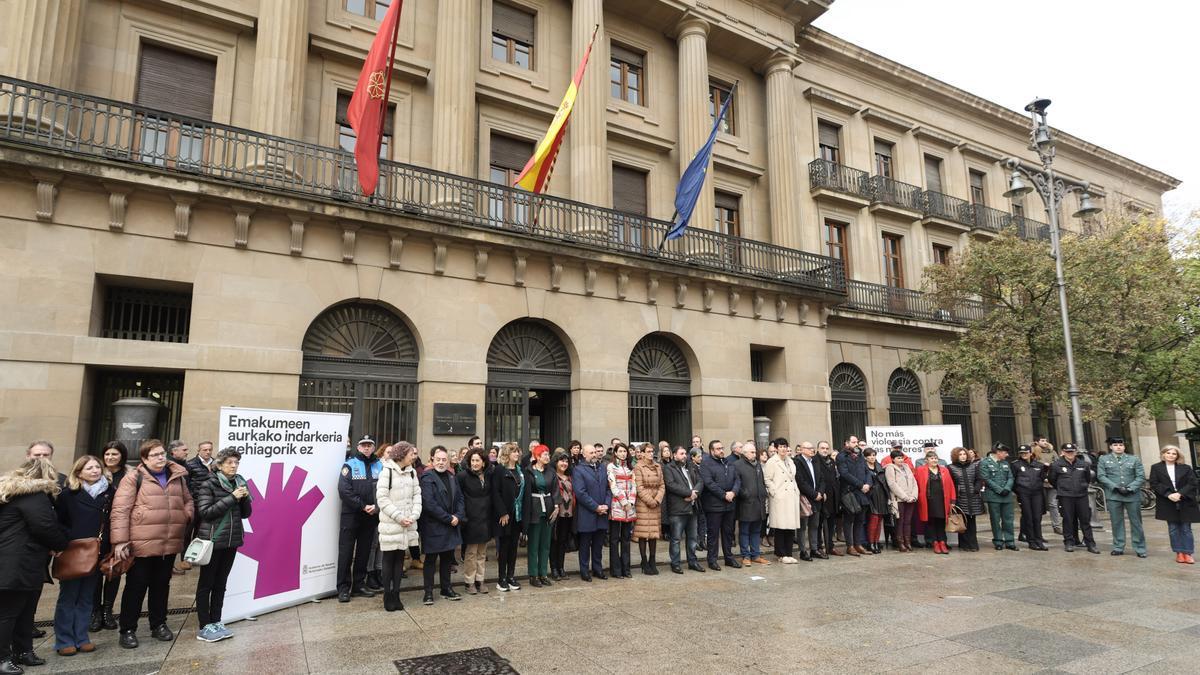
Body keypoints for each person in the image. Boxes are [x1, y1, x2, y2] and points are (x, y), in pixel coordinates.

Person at [110, 440, 193, 649]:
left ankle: (159, 624)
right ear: (145, 459)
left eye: (162, 453)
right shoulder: (134, 478)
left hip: (169, 542)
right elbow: (120, 510)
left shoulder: (177, 476)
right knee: (135, 588)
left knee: (161, 586)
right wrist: (120, 541)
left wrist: (185, 515)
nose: (161, 457)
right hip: (142, 544)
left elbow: (188, 500)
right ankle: (128, 629)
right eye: (155, 455)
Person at [1, 458, 69, 672]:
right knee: (9, 613)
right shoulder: (34, 495)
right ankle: (3, 659)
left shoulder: (11, 492)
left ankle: (23, 651)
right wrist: (61, 544)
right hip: (18, 562)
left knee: (24, 611)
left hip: (19, 561)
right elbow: (44, 526)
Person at [191, 448, 251, 643]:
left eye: (236, 463)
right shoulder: (208, 484)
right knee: (206, 584)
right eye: (230, 463)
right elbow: (206, 512)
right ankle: (204, 625)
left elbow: (245, 514)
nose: (234, 466)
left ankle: (216, 621)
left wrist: (245, 498)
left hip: (231, 540)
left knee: (221, 583)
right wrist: (232, 497)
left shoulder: (239, 482)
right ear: (219, 465)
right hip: (213, 541)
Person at [51, 456, 109, 658]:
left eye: (97, 467)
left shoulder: (109, 493)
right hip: (73, 550)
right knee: (68, 597)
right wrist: (65, 541)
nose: (95, 470)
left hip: (97, 551)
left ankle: (82, 637)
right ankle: (64, 640)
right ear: (78, 472)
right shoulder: (68, 494)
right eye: (89, 468)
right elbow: (58, 522)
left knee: (87, 597)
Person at [336, 436, 383, 602]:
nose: (367, 448)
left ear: (373, 447)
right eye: (363, 445)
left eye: (370, 445)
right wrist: (363, 505)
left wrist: (376, 507)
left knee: (364, 552)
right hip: (352, 515)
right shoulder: (350, 464)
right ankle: (343, 588)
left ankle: (358, 584)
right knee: (346, 552)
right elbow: (344, 491)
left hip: (371, 516)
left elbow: (385, 489)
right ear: (358, 447)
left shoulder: (380, 465)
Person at [376, 441, 421, 611]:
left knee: (400, 559)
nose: (413, 456)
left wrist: (414, 515)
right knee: (389, 559)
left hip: (407, 523)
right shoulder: (386, 471)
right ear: (402, 454)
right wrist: (399, 516)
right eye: (411, 454)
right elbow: (382, 498)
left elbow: (417, 495)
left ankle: (396, 593)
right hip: (391, 524)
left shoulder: (412, 473)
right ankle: (387, 595)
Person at [418, 446, 465, 605]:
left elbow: (460, 498)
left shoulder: (452, 476)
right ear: (432, 460)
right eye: (438, 459)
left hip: (451, 525)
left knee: (447, 560)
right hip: (434, 526)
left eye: (444, 460)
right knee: (431, 561)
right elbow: (429, 504)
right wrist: (448, 518)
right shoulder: (427, 477)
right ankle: (428, 592)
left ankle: (446, 588)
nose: (441, 462)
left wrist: (458, 515)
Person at [90, 440, 127, 633]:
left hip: (119, 529)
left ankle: (107, 610)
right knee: (95, 572)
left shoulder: (129, 475)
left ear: (122, 456)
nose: (110, 458)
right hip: (98, 530)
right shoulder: (95, 472)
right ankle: (95, 611)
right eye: (107, 455)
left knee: (114, 570)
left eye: (114, 454)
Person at [1097, 436, 1147, 558]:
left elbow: (1140, 476)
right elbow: (1101, 476)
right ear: (1111, 447)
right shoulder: (1104, 459)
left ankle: (1140, 548)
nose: (1118, 447)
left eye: (1120, 445)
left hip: (1132, 495)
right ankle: (1118, 546)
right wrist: (1115, 487)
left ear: (1124, 446)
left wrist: (1130, 488)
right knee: (1116, 522)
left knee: (1136, 523)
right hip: (1114, 495)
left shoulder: (1134, 459)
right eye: (1115, 445)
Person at [1149, 445, 1198, 564]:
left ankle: (1188, 553)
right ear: (1163, 454)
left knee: (1186, 528)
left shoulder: (1186, 468)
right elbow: (1154, 483)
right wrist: (1168, 494)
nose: (1171, 455)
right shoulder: (1156, 467)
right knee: (1173, 529)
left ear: (1178, 456)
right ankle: (1179, 553)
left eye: (1174, 453)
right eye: (1168, 453)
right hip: (1167, 502)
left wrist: (1180, 494)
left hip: (1185, 500)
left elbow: (1192, 483)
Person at [698, 440, 742, 570]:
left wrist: (733, 492)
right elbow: (709, 483)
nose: (721, 450)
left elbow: (737, 479)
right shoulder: (706, 464)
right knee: (713, 534)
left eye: (722, 448)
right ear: (712, 451)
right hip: (714, 505)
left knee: (728, 533)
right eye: (718, 449)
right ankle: (712, 560)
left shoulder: (729, 462)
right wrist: (724, 495)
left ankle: (728, 558)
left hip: (730, 504)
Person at [1049, 443, 1100, 554]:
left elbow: (1087, 478)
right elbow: (1052, 480)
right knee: (1067, 519)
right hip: (1065, 496)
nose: (1070, 454)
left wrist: (1081, 487)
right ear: (1062, 452)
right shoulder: (1056, 465)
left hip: (1081, 495)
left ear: (1075, 452)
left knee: (1085, 520)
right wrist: (1063, 488)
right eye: (1067, 452)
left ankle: (1090, 543)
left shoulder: (1083, 464)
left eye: (1072, 451)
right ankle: (1069, 542)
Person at [573, 443, 612, 581]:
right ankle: (584, 570)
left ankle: (598, 569)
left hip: (602, 513)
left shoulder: (602, 468)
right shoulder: (578, 470)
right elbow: (580, 493)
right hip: (587, 514)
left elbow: (608, 488)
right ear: (584, 455)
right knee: (585, 545)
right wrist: (596, 507)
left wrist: (606, 505)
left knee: (598, 545)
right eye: (591, 453)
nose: (594, 455)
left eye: (595, 452)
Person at [457, 447, 493, 595]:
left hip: (485, 519)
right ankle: (469, 582)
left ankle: (480, 579)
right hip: (470, 519)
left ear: (483, 462)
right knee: (471, 553)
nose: (475, 463)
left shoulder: (488, 475)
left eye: (478, 460)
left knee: (482, 553)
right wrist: (463, 517)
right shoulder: (462, 476)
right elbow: (459, 498)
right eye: (473, 460)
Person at [663, 446, 704, 574]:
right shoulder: (669, 468)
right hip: (678, 508)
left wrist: (695, 493)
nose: (684, 456)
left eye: (685, 453)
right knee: (676, 539)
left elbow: (700, 481)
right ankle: (675, 563)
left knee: (692, 538)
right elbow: (671, 485)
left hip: (693, 507)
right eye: (681, 454)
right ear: (674, 455)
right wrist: (689, 493)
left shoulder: (690, 466)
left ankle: (692, 562)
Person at [524, 445, 559, 587]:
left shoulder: (551, 472)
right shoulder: (528, 471)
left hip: (549, 509)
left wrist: (556, 506)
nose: (547, 457)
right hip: (534, 509)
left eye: (548, 454)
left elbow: (556, 489)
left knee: (545, 544)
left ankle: (543, 573)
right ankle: (533, 575)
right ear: (537, 456)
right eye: (544, 454)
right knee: (534, 544)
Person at [491, 443, 524, 591]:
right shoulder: (499, 470)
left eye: (517, 451)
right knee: (504, 547)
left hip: (517, 515)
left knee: (513, 547)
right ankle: (501, 578)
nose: (517, 454)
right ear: (507, 454)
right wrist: (502, 512)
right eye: (514, 451)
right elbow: (495, 492)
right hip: (504, 515)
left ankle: (511, 576)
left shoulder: (519, 471)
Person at [763, 441, 800, 564]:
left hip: (791, 495)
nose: (783, 449)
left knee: (790, 526)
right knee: (780, 526)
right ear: (776, 448)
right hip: (780, 496)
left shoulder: (790, 461)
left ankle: (789, 553)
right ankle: (781, 553)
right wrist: (775, 492)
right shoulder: (772, 462)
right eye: (781, 447)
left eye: (785, 447)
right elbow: (767, 479)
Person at [733, 440, 769, 565]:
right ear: (745, 453)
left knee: (756, 531)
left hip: (759, 503)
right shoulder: (737, 465)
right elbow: (737, 483)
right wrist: (745, 494)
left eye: (755, 452)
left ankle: (756, 555)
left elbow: (762, 481)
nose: (755, 454)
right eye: (752, 452)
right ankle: (746, 556)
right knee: (744, 531)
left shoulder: (758, 465)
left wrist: (764, 492)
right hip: (745, 504)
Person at [916, 449, 956, 554]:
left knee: (941, 522)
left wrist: (952, 500)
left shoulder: (944, 470)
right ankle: (935, 543)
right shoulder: (920, 470)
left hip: (942, 501)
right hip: (928, 501)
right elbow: (916, 484)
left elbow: (951, 485)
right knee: (931, 522)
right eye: (932, 458)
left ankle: (942, 542)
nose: (934, 460)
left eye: (936, 458)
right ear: (926, 460)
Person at [632, 443, 664, 575]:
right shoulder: (638, 467)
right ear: (643, 453)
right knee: (643, 534)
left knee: (653, 534)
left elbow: (662, 485)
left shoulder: (658, 466)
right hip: (643, 504)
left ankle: (652, 560)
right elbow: (639, 487)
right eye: (649, 451)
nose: (651, 453)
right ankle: (644, 561)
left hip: (655, 503)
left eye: (652, 451)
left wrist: (657, 500)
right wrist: (650, 501)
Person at [1011, 445, 1048, 551]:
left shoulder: (1039, 465)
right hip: (1024, 493)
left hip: (1037, 493)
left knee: (1037, 517)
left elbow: (1042, 478)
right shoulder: (1015, 465)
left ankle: (1039, 540)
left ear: (1030, 453)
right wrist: (1019, 491)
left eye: (1026, 453)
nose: (1024, 455)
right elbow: (1013, 480)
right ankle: (1031, 541)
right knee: (1028, 517)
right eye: (1022, 453)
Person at [837, 441, 871, 556]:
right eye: (853, 442)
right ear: (847, 443)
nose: (855, 444)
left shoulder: (860, 455)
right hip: (850, 492)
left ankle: (858, 544)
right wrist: (861, 485)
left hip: (863, 492)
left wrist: (868, 484)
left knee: (860, 520)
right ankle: (850, 546)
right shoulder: (842, 456)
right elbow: (844, 473)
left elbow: (867, 471)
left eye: (857, 441)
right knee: (849, 520)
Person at [981, 443, 1017, 551]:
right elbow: (986, 479)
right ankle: (998, 541)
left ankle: (1010, 541)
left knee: (1008, 520)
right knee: (995, 520)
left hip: (1007, 496)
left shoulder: (1005, 463)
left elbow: (1010, 477)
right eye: (1005, 453)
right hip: (993, 496)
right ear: (998, 452)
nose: (1007, 455)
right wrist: (999, 490)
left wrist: (1007, 488)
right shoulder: (985, 463)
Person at [947, 447, 983, 552]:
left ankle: (973, 544)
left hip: (973, 498)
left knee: (972, 522)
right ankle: (964, 544)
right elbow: (951, 484)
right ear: (956, 456)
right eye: (960, 454)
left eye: (964, 454)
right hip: (960, 498)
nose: (963, 456)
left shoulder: (973, 466)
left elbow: (979, 479)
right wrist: (953, 499)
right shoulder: (951, 467)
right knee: (962, 522)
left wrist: (976, 489)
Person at [793, 442, 824, 560]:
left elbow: (821, 478)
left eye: (813, 448)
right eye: (809, 448)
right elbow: (800, 481)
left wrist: (820, 492)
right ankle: (802, 551)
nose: (812, 450)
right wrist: (814, 494)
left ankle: (814, 549)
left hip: (817, 498)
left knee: (814, 525)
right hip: (805, 498)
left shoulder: (815, 461)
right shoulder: (797, 462)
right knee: (802, 526)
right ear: (802, 450)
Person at [884, 449, 918, 552]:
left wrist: (914, 496)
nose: (901, 459)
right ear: (893, 459)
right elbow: (892, 484)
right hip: (899, 500)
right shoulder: (890, 468)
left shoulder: (907, 467)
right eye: (898, 458)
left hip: (911, 499)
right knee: (900, 521)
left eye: (902, 457)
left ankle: (908, 542)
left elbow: (914, 482)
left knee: (908, 522)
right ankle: (901, 543)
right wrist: (904, 497)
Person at [550, 451, 575, 580]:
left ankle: (561, 567)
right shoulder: (552, 476)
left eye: (566, 461)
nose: (564, 463)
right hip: (556, 514)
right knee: (554, 541)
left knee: (563, 541)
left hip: (569, 513)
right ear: (556, 462)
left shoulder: (570, 477)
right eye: (562, 461)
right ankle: (554, 568)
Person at [816, 441, 841, 557]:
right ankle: (818, 546)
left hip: (832, 496)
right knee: (819, 523)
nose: (825, 450)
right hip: (821, 496)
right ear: (818, 449)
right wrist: (821, 492)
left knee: (831, 522)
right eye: (822, 448)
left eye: (826, 448)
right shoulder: (815, 460)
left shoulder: (831, 461)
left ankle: (830, 546)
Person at [863, 449, 890, 554]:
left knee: (879, 521)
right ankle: (870, 543)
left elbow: (884, 482)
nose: (872, 457)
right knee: (873, 520)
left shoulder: (879, 467)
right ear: (865, 457)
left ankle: (876, 542)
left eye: (873, 455)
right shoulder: (863, 467)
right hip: (870, 495)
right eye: (869, 456)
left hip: (881, 495)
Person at [689, 448, 708, 551]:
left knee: (703, 521)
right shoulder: (690, 467)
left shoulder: (703, 466)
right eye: (698, 457)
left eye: (701, 456)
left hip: (704, 498)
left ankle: (702, 541)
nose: (701, 458)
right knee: (695, 521)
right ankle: (695, 541)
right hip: (695, 498)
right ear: (692, 457)